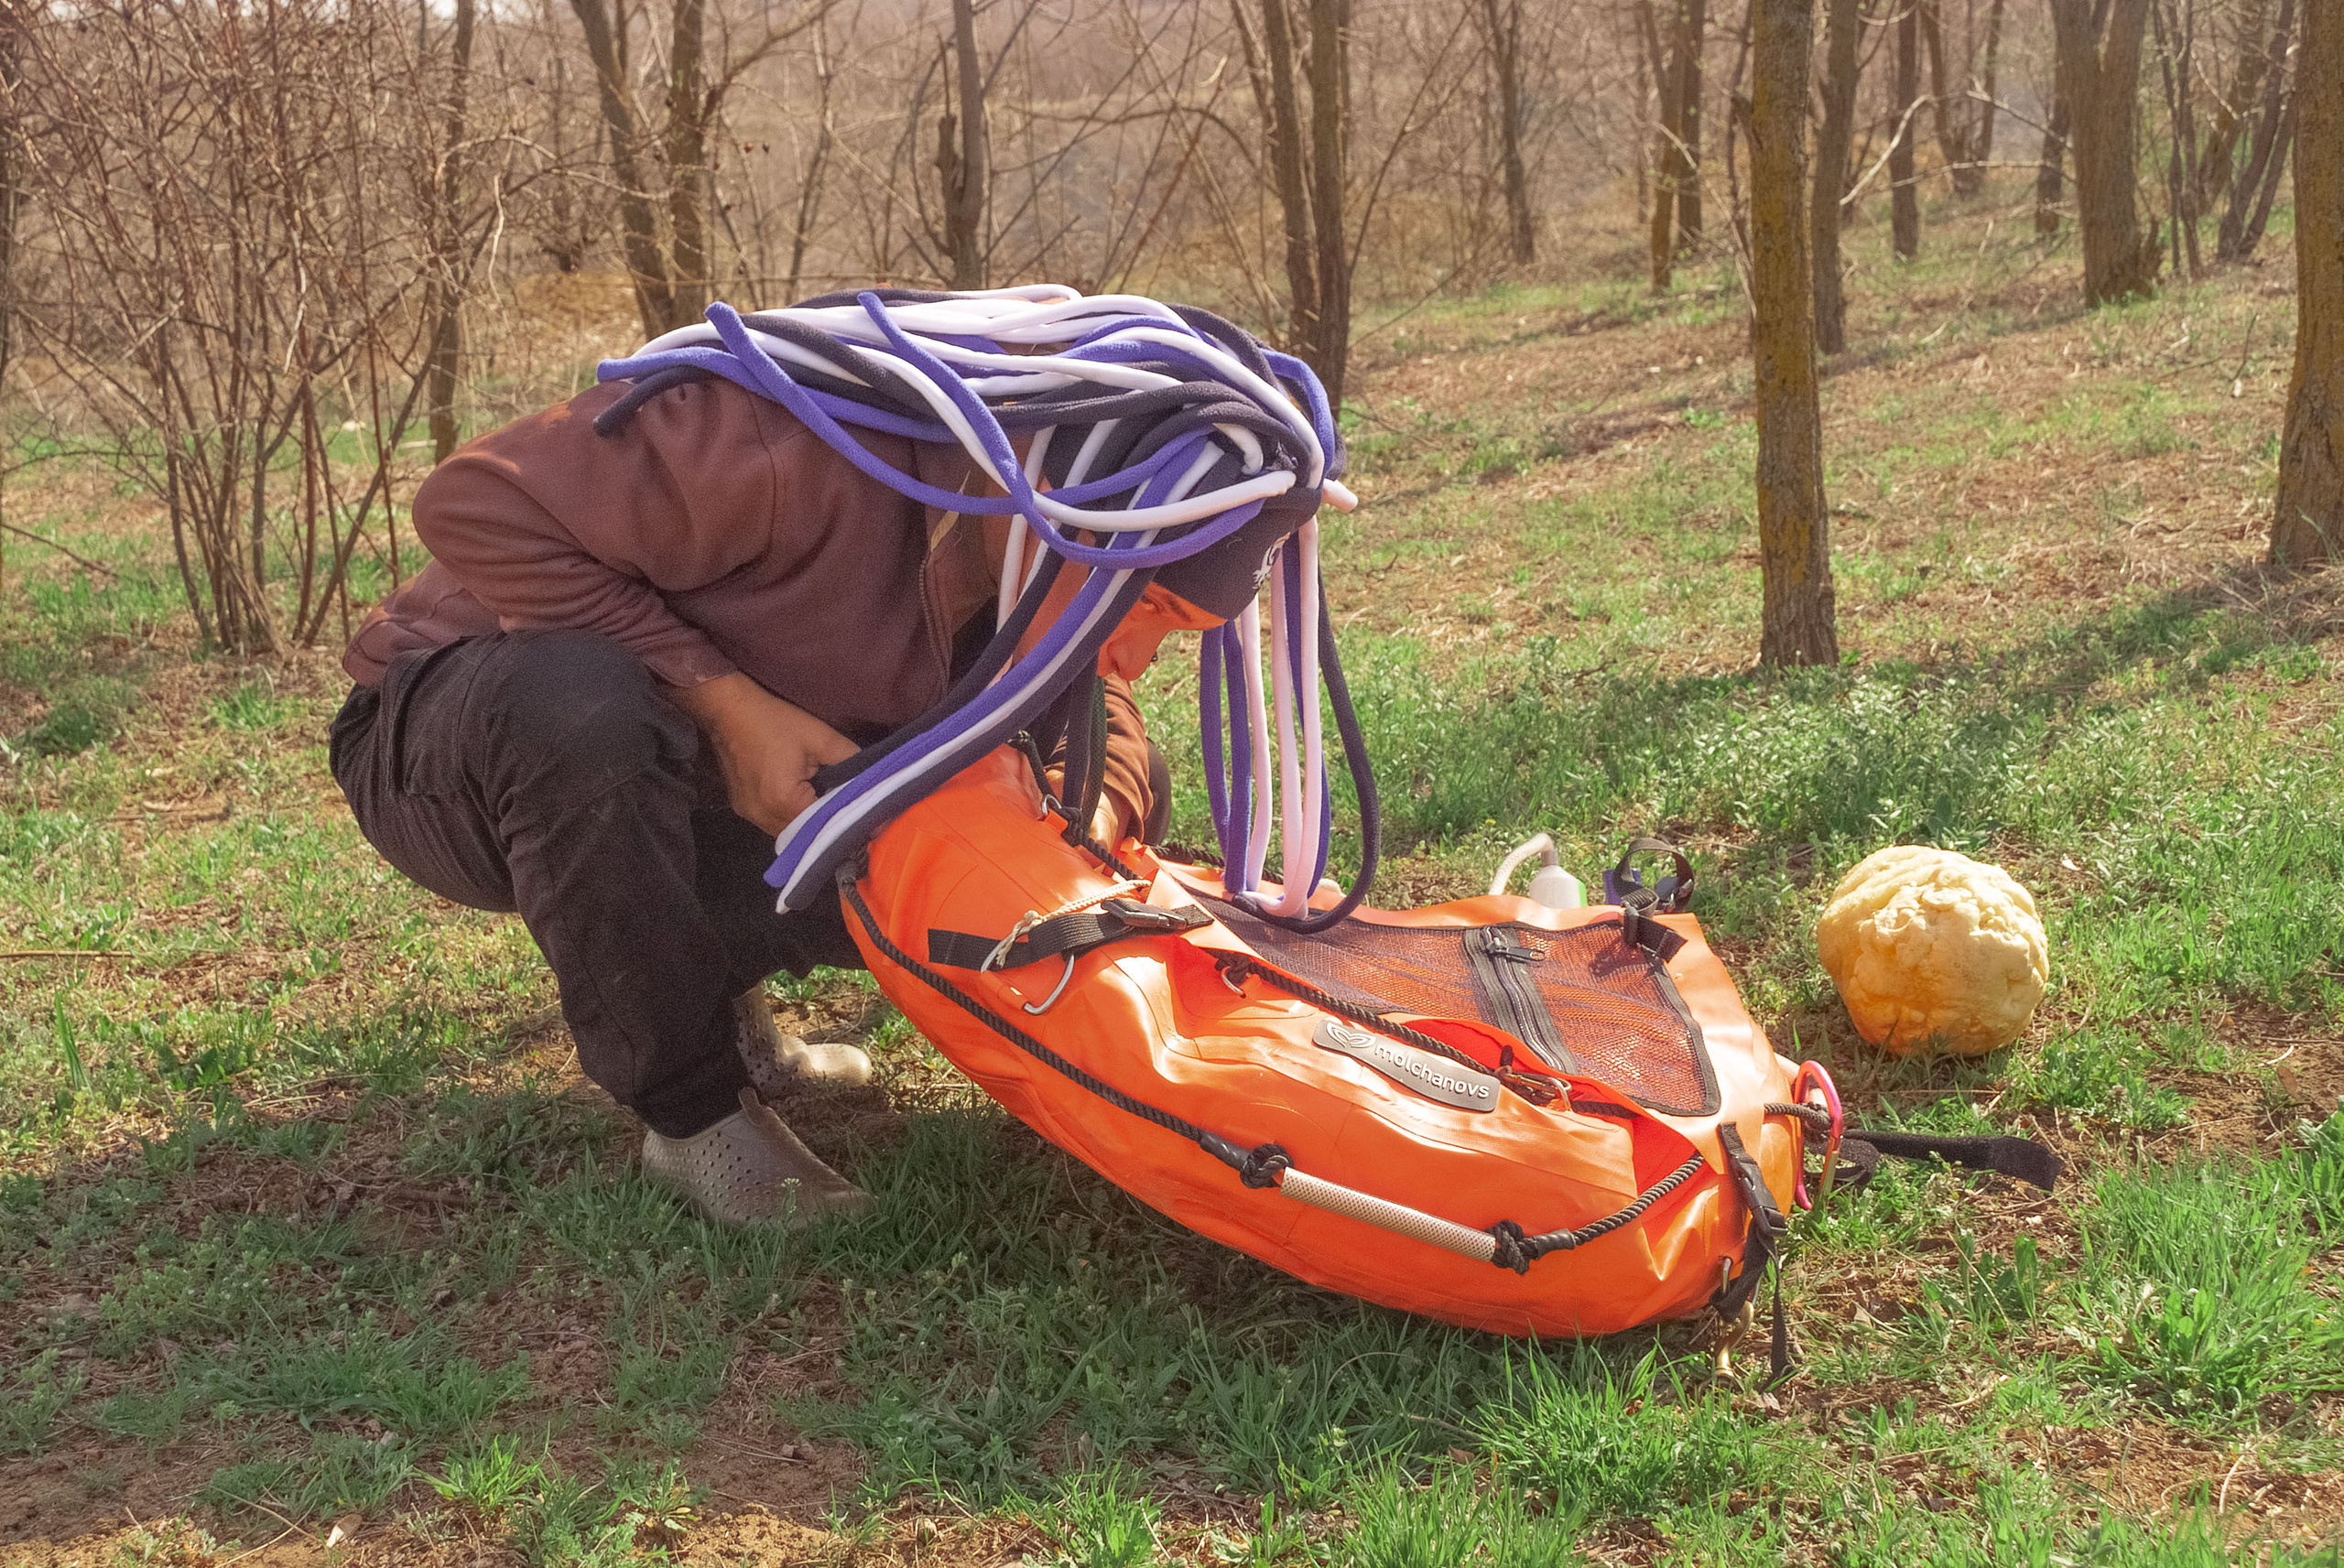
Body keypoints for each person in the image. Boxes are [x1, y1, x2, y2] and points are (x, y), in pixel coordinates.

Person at [329, 366, 1259, 1227]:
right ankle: (693, 1116)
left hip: (678, 771)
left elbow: (1103, 710)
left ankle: (720, 1007)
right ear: (1055, 510)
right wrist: (731, 709)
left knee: (1093, 774)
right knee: (578, 702)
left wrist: (1079, 830)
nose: (1134, 653)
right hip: (454, 744)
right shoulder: (787, 436)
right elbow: (470, 503)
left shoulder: (1040, 552)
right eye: (1141, 608)